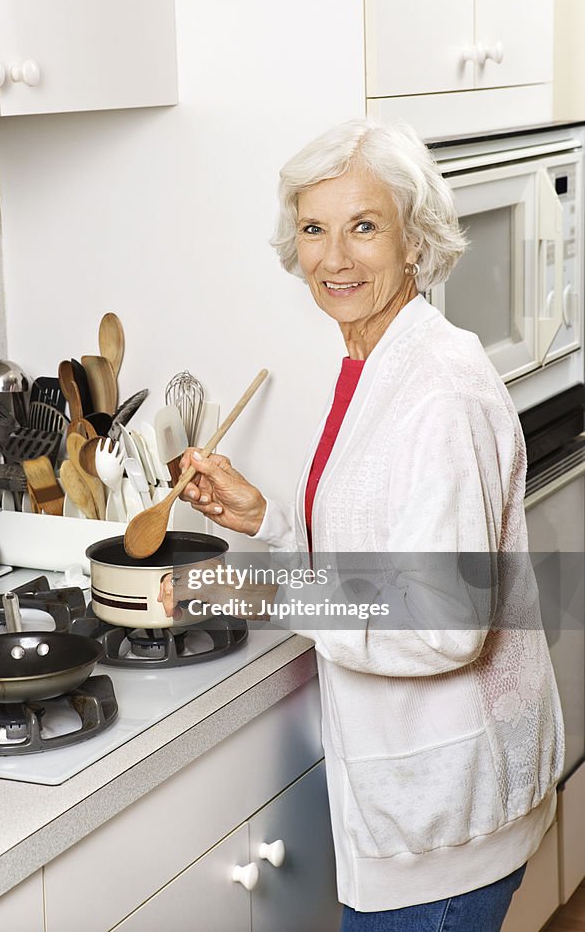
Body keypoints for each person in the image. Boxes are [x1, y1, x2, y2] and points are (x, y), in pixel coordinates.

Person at [173, 118, 565, 931]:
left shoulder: (437, 392)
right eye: (314, 229)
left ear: (414, 241)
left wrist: (262, 588)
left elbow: (442, 621)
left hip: (445, 822)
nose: (334, 258)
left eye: (364, 226)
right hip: (423, 801)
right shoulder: (373, 358)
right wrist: (272, 521)